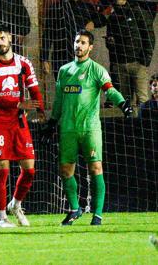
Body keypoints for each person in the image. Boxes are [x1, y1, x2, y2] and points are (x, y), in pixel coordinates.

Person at [41, 29, 133, 226]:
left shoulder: (97, 69)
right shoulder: (64, 71)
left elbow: (110, 90)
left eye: (83, 42)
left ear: (90, 47)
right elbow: (58, 101)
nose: (78, 45)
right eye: (76, 42)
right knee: (65, 170)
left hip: (90, 129)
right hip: (68, 129)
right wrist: (51, 123)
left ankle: (97, 215)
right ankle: (74, 209)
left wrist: (123, 104)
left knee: (96, 168)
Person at [0, 24, 45, 228]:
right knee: (2, 171)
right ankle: (1, 218)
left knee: (30, 169)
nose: (0, 42)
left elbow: (33, 89)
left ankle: (16, 204)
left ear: (10, 38)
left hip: (18, 121)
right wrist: (19, 104)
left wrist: (41, 110)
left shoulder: (24, 63)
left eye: (2, 38)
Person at [105, 0, 155, 111]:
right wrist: (110, 43)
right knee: (126, 102)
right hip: (120, 65)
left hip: (137, 64)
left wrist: (145, 60)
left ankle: (146, 128)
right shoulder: (112, 17)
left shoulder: (137, 11)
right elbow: (110, 42)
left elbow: (148, 35)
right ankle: (130, 128)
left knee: (143, 99)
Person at [41, 0, 106, 80]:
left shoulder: (84, 7)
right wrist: (44, 59)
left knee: (80, 89)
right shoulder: (55, 8)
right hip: (60, 56)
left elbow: (102, 19)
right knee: (63, 88)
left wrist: (93, 22)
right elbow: (47, 35)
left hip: (81, 56)